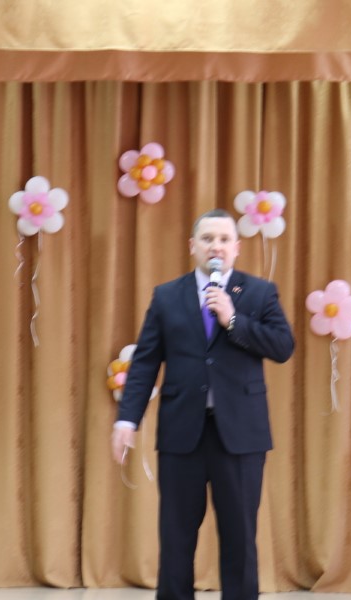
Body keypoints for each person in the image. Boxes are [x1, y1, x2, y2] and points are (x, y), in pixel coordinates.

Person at [111, 209, 294, 600]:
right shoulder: (166, 296)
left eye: (224, 239)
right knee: (176, 536)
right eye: (208, 239)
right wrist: (127, 420)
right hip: (182, 435)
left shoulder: (259, 293)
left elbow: (283, 347)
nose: (216, 246)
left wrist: (234, 320)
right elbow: (145, 362)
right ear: (193, 246)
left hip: (240, 437)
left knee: (240, 537)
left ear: (237, 248)